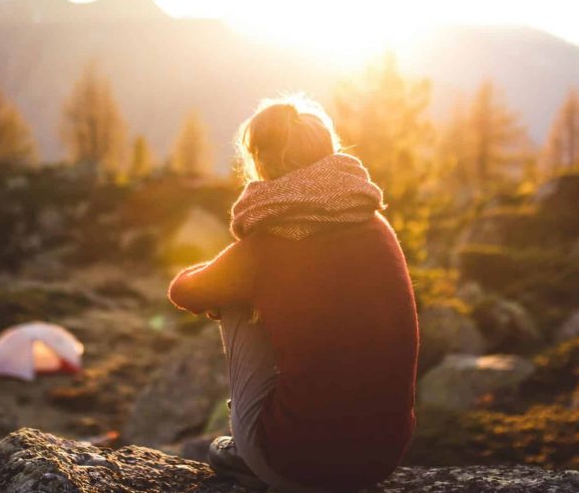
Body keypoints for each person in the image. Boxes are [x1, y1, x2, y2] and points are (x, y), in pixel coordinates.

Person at [167, 95, 419, 493]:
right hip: (380, 458)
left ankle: (249, 442)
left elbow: (185, 292)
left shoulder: (267, 244)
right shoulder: (375, 224)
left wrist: (237, 281)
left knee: (232, 297)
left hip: (295, 464)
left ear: (262, 163)